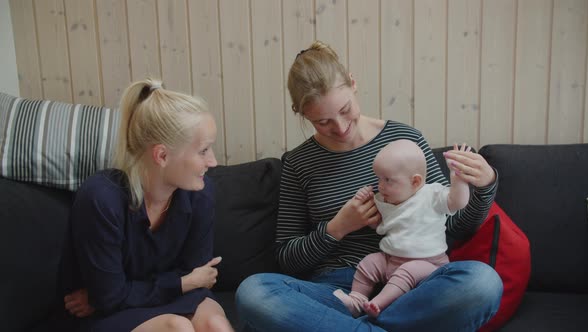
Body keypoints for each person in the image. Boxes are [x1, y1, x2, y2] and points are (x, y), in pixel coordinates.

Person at [235, 41, 502, 331]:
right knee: (254, 292)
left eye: (345, 109)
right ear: (301, 113)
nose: (340, 128)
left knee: (483, 282)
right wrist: (337, 228)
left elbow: (453, 226)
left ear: (353, 83)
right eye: (322, 122)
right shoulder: (299, 163)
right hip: (339, 291)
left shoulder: (405, 139)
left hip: (415, 288)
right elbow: (288, 259)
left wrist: (485, 186)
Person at [61, 78, 233, 332]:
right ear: (162, 155)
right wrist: (183, 282)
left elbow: (198, 275)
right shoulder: (100, 199)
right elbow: (109, 298)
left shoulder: (201, 194)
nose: (214, 162)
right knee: (177, 328)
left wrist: (186, 282)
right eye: (204, 150)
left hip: (162, 297)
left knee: (215, 325)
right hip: (107, 314)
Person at [333, 140, 470, 318]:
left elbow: (459, 202)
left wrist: (458, 179)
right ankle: (356, 300)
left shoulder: (432, 195)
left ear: (415, 181)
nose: (380, 186)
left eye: (388, 180)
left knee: (407, 271)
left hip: (428, 264)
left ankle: (377, 304)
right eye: (379, 179)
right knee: (369, 262)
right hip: (390, 260)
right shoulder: (384, 200)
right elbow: (378, 225)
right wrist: (363, 200)